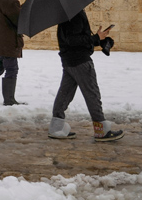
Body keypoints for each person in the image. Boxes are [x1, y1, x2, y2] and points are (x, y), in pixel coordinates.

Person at [48, 9, 124, 142]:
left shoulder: (66, 13)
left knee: (65, 93)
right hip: (80, 61)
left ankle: (56, 127)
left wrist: (98, 39)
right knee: (92, 93)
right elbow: (73, 40)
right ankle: (102, 130)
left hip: (69, 60)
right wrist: (95, 38)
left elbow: (72, 39)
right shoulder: (75, 14)